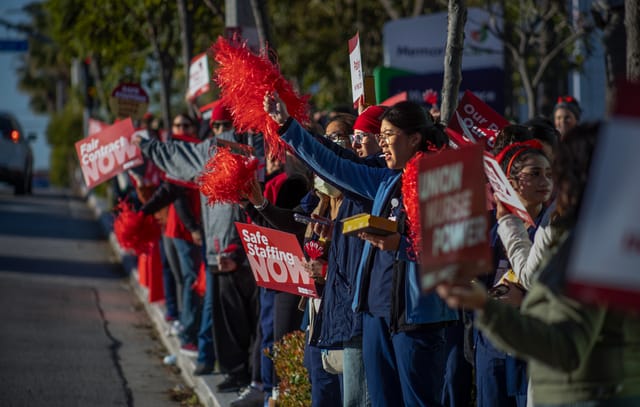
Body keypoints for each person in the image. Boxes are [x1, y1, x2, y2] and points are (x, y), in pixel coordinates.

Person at [264, 92, 457, 407]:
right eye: (379, 136)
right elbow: (334, 166)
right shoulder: (383, 180)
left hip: (418, 319)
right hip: (375, 314)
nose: (381, 143)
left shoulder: (442, 182)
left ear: (415, 138)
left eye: (389, 136)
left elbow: (455, 252)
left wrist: (402, 245)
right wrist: (287, 125)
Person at [437, 123, 640, 407]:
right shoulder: (594, 226)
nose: (551, 181)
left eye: (557, 168)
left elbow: (566, 346)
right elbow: (532, 275)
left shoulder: (590, 236)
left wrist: (487, 308)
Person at [474, 141, 554, 407]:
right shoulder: (491, 226)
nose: (545, 181)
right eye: (534, 173)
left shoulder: (551, 228)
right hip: (493, 345)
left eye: (549, 174)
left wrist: (523, 299)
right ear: (511, 182)